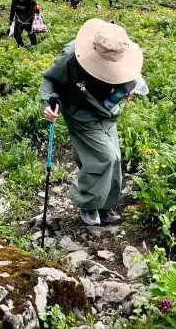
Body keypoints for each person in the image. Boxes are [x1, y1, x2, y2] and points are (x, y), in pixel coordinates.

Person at [40, 19, 145, 226]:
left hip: (108, 111)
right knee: (103, 157)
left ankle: (106, 205)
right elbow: (49, 80)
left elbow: (131, 76)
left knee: (115, 157)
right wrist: (49, 104)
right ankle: (88, 203)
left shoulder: (120, 49)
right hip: (80, 112)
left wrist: (129, 88)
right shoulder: (71, 57)